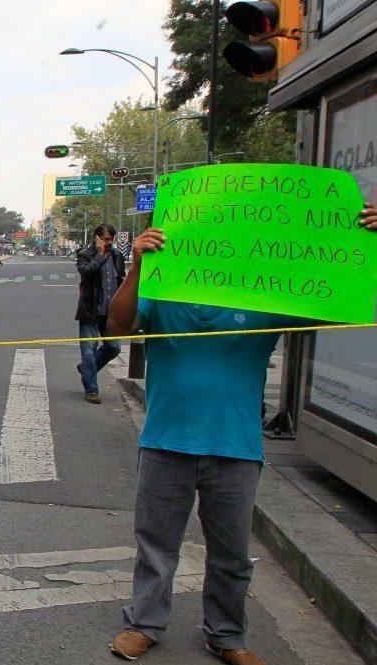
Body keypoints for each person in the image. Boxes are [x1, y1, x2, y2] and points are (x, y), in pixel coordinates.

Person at [105, 202, 377, 664]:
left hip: (236, 447)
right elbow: (117, 324)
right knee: (155, 547)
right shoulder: (164, 288)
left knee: (231, 554)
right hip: (165, 441)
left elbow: (343, 305)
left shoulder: (264, 296)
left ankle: (227, 636)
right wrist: (136, 269)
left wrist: (365, 244)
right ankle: (144, 624)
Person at [75, 224, 127, 404]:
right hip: (91, 309)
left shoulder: (117, 255)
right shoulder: (85, 255)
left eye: (111, 239)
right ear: (97, 238)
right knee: (89, 351)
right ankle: (91, 390)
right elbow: (86, 272)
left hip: (111, 311)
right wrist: (99, 255)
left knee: (114, 347)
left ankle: (87, 369)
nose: (109, 243)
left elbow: (120, 280)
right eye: (106, 239)